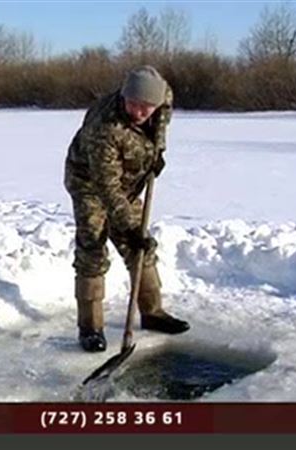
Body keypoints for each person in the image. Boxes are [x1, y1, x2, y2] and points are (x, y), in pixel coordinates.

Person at [64, 65, 190, 352]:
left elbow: (159, 124)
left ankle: (153, 312)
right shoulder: (104, 128)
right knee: (92, 249)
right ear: (124, 96)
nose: (138, 112)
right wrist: (129, 227)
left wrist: (156, 154)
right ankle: (90, 328)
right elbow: (107, 187)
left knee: (141, 249)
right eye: (133, 105)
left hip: (128, 183)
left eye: (146, 108)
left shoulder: (163, 100)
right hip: (90, 185)